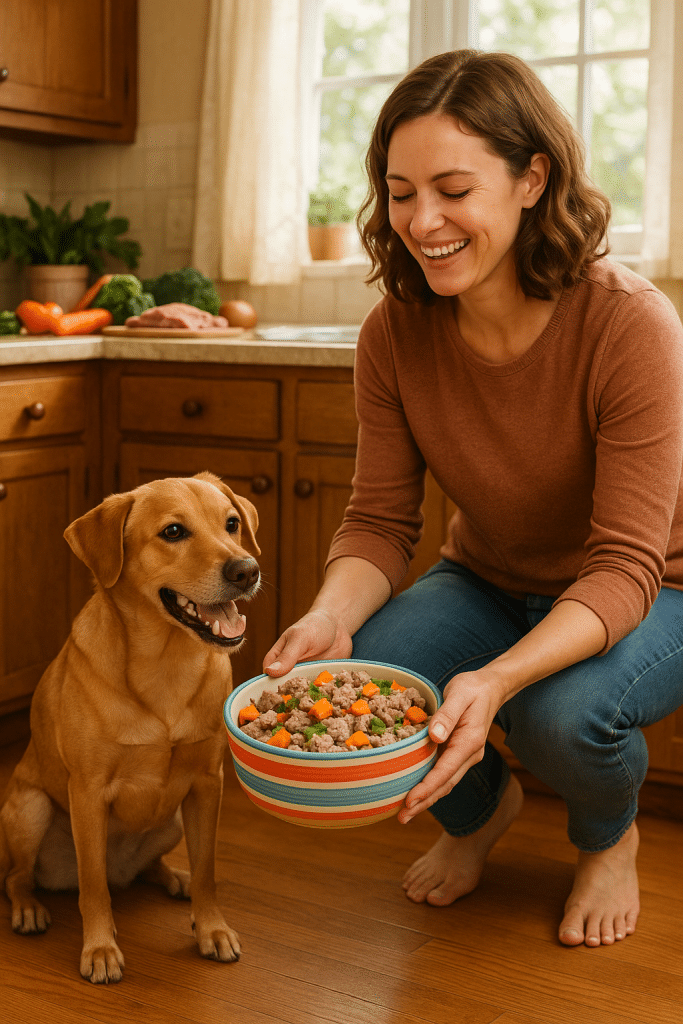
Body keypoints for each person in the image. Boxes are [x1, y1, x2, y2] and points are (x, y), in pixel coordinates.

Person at [264, 49, 683, 948]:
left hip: (656, 591)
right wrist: (328, 616)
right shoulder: (394, 333)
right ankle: (478, 815)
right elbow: (378, 521)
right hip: (488, 575)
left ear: (532, 178)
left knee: (554, 715)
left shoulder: (629, 324)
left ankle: (607, 837)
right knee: (373, 665)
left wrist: (494, 680)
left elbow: (623, 565)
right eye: (401, 191)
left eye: (453, 189)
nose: (422, 221)